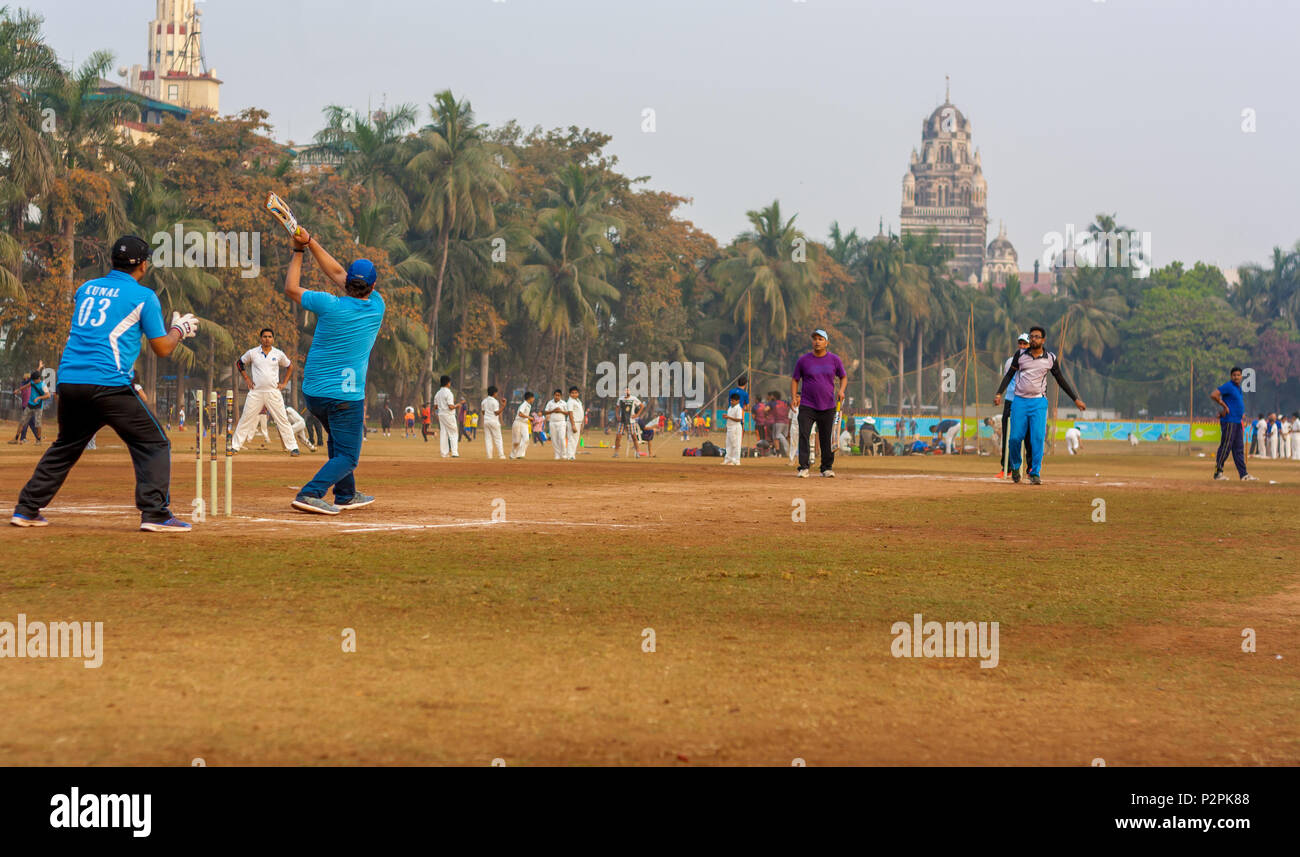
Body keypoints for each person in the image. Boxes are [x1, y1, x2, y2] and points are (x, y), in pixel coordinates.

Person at [11, 235, 198, 530]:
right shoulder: (144, 297)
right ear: (143, 265)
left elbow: (99, 329)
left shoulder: (85, 289)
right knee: (154, 443)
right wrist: (179, 329)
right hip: (108, 384)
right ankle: (156, 513)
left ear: (113, 260)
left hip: (70, 381)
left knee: (66, 446)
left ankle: (26, 508)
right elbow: (161, 347)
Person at [283, 226, 385, 514]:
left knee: (337, 443)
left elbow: (292, 287)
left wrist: (301, 249)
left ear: (348, 283)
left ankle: (346, 494)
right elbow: (339, 274)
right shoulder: (378, 306)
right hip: (346, 398)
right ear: (373, 287)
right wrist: (310, 242)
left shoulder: (328, 304)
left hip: (314, 394)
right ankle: (310, 493)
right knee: (349, 456)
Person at [993, 325, 1086, 485]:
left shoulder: (1050, 358)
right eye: (1031, 336)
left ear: (1043, 340)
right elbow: (1009, 375)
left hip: (1039, 402)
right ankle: (1015, 467)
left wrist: (1075, 399)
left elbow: (1060, 379)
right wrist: (999, 393)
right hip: (1020, 401)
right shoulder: (1020, 356)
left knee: (1037, 438)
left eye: (1037, 336)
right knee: (1015, 438)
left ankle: (1034, 472)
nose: (1033, 339)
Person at [791, 328, 848, 478]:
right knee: (804, 434)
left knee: (826, 437)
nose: (817, 341)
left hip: (828, 405)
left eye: (820, 339)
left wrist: (841, 391)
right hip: (807, 404)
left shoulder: (835, 360)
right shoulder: (803, 360)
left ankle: (826, 468)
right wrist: (793, 397)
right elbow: (795, 379)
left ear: (827, 342)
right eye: (815, 338)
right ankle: (804, 467)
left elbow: (843, 377)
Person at [232, 328, 299, 455]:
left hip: (273, 392)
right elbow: (240, 363)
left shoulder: (278, 354)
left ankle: (293, 447)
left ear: (273, 339)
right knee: (246, 418)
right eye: (264, 336)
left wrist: (284, 383)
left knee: (282, 419)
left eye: (269, 337)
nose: (267, 339)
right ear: (260, 338)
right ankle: (235, 446)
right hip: (256, 392)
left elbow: (290, 366)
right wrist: (247, 378)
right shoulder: (253, 352)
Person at [1211, 368, 1255, 481]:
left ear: (1241, 377)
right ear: (1231, 376)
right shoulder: (1229, 386)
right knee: (1226, 446)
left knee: (1238, 449)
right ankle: (1218, 473)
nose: (1236, 377)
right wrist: (1224, 407)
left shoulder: (1238, 388)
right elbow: (1214, 395)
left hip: (1237, 421)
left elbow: (1235, 404)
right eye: (1234, 375)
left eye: (1238, 375)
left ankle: (1243, 474)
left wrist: (1241, 414)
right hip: (1229, 421)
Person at [999, 332, 1031, 478]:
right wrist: (999, 393)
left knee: (1029, 436)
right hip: (1011, 400)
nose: (1022, 346)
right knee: (1008, 435)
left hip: (1028, 401)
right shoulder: (1010, 361)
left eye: (1025, 344)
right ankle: (1007, 467)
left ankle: (1030, 468)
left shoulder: (1034, 361)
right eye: (1020, 343)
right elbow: (1009, 378)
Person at [434, 376, 464, 458]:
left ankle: (444, 453)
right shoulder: (449, 393)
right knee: (453, 432)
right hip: (448, 415)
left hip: (441, 415)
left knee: (444, 433)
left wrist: (442, 406)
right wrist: (457, 405)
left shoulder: (437, 393)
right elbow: (451, 407)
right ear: (448, 383)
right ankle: (454, 453)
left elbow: (435, 407)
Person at [613, 388, 644, 458]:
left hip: (631, 421)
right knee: (618, 436)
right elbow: (617, 407)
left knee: (634, 437)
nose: (627, 392)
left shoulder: (633, 398)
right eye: (625, 390)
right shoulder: (620, 399)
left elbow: (642, 406)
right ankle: (616, 453)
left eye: (628, 390)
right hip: (622, 421)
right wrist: (617, 415)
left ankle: (637, 453)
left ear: (630, 391)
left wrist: (637, 415)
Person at [542, 389, 572, 459]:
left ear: (561, 396)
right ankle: (557, 454)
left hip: (561, 422)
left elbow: (568, 413)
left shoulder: (564, 403)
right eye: (556, 395)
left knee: (561, 438)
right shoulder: (550, 403)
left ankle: (564, 454)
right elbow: (545, 412)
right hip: (552, 423)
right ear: (554, 395)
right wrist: (553, 411)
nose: (557, 397)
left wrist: (561, 411)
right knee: (554, 439)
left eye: (558, 395)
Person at [481, 386, 505, 459]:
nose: (497, 394)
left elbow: (483, 412)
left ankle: (489, 456)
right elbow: (496, 413)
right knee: (498, 439)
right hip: (494, 421)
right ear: (494, 393)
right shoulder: (495, 401)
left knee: (488, 439)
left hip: (486, 421)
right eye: (496, 393)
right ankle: (501, 455)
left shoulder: (484, 401)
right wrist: (503, 406)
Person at [510, 392, 535, 459]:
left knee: (526, 439)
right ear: (530, 398)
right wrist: (529, 417)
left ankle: (520, 455)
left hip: (524, 424)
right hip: (518, 423)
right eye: (533, 398)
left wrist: (529, 419)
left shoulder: (529, 405)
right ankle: (512, 455)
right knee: (516, 441)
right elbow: (520, 414)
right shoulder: (524, 404)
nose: (533, 399)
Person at [722, 392, 744, 464]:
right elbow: (730, 418)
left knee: (735, 444)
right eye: (731, 400)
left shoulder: (738, 408)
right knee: (728, 444)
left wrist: (728, 417)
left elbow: (739, 419)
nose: (732, 402)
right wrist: (727, 417)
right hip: (730, 428)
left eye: (733, 401)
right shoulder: (730, 407)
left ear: (737, 401)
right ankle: (728, 459)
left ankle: (736, 460)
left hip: (736, 428)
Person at [565, 386, 585, 460]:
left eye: (576, 393)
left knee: (575, 440)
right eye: (572, 393)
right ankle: (570, 455)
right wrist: (573, 425)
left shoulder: (578, 401)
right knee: (571, 439)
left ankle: (572, 455)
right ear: (569, 394)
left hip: (578, 422)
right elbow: (570, 413)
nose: (574, 394)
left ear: (578, 393)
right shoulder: (570, 401)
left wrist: (581, 424)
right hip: (573, 422)